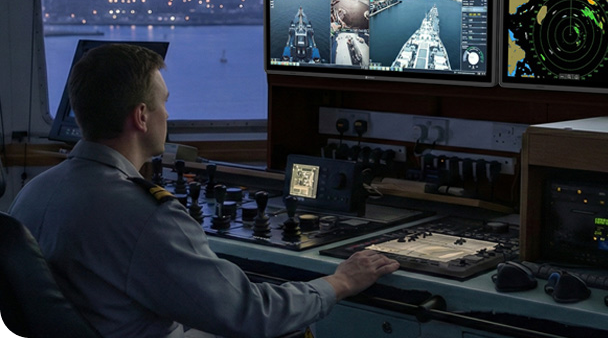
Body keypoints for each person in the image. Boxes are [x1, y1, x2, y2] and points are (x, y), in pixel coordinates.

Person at [9, 43, 399, 338]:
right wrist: (339, 282)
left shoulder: (32, 192)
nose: (167, 115)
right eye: (163, 104)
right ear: (141, 117)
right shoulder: (145, 214)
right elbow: (251, 315)